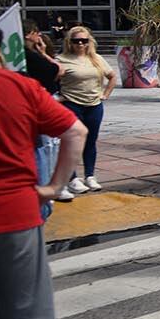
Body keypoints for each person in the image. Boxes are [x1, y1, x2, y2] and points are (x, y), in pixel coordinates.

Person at [0, 10, 88, 319]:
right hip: (15, 214)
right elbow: (75, 131)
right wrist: (53, 186)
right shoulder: (18, 86)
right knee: (28, 310)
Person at [56, 25, 116, 197]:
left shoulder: (96, 58)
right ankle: (73, 177)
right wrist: (58, 97)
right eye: (76, 41)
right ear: (70, 42)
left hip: (94, 105)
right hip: (72, 104)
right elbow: (52, 79)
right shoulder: (62, 59)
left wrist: (105, 94)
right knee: (71, 142)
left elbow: (111, 76)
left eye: (84, 40)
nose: (80, 44)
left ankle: (90, 175)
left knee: (91, 141)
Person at [22, 18, 61, 94]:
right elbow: (60, 70)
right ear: (27, 35)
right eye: (36, 31)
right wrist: (44, 54)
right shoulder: (32, 57)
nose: (39, 34)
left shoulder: (25, 53)